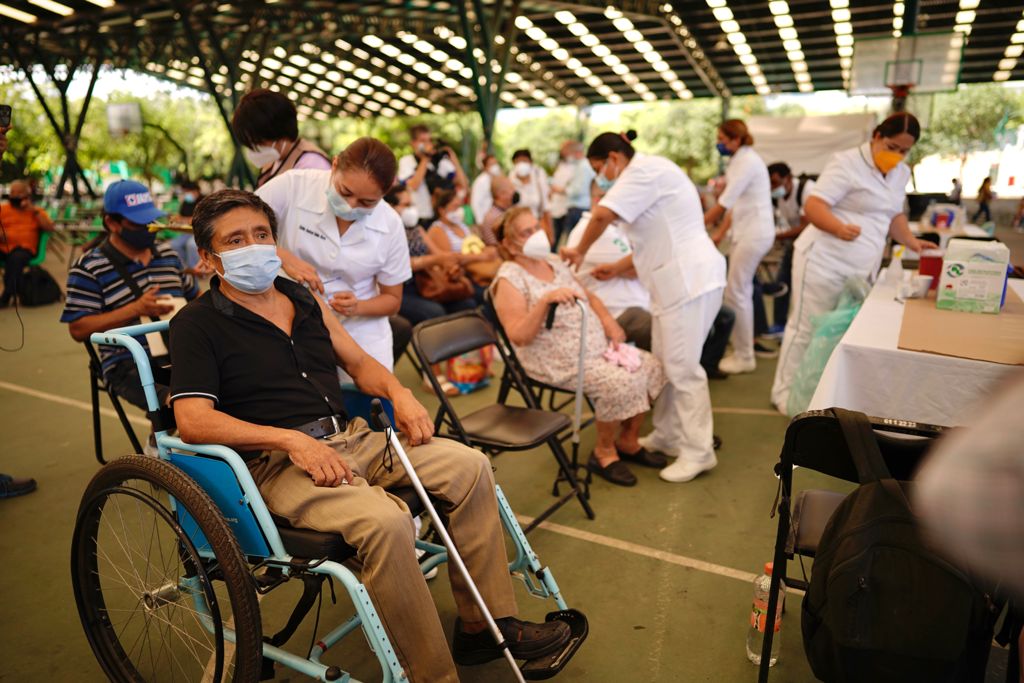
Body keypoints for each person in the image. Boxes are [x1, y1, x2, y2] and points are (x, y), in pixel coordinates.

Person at [171, 189, 570, 682]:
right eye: (236, 240)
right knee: (385, 521)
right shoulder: (196, 324)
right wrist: (291, 441)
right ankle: (432, 676)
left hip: (353, 438)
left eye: (261, 234)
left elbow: (358, 364)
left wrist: (399, 392)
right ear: (209, 259)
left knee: (469, 466)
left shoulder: (302, 298)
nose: (254, 245)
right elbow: (192, 420)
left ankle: (483, 627)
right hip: (280, 464)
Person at [561, 131, 726, 483]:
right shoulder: (647, 173)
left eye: (599, 168)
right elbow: (647, 240)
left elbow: (601, 216)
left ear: (614, 158)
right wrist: (616, 269)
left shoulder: (642, 172)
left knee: (682, 368)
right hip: (672, 283)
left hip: (688, 281)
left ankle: (699, 451)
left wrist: (579, 252)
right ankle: (667, 433)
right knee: (667, 364)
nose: (600, 178)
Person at [770, 112, 930, 414]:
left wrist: (911, 241)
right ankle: (783, 392)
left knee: (837, 331)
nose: (897, 155)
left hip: (860, 268)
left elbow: (893, 214)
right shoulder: (846, 162)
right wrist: (837, 227)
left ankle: (814, 391)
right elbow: (814, 205)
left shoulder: (901, 172)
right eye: (893, 147)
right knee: (805, 328)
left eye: (904, 151)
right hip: (823, 260)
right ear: (877, 137)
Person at [493, 207, 665, 487]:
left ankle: (628, 440)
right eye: (526, 232)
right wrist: (545, 301)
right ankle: (604, 452)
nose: (537, 234)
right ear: (510, 244)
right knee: (620, 383)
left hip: (596, 348)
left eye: (536, 227)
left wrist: (608, 321)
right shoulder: (509, 277)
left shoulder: (553, 262)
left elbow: (590, 296)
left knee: (651, 365)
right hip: (554, 360)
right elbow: (518, 335)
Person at [255, 138, 411, 382]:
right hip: (289, 321)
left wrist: (358, 306)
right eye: (345, 192)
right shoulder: (294, 185)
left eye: (367, 202)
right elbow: (238, 225)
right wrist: (281, 255)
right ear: (335, 165)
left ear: (386, 192)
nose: (350, 206)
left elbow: (393, 300)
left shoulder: (390, 224)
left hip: (360, 331)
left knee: (370, 405)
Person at [60, 180, 199, 420]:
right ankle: (159, 447)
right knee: (186, 405)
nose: (148, 228)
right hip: (129, 363)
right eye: (138, 223)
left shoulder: (168, 255)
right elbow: (78, 329)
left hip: (182, 353)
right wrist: (134, 309)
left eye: (150, 221)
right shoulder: (89, 267)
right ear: (111, 223)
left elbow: (196, 301)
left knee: (238, 384)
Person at [567, 213, 736, 381]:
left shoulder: (625, 227)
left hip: (654, 297)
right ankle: (669, 381)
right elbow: (640, 268)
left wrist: (622, 267)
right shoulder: (594, 231)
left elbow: (646, 263)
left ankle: (702, 368)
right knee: (675, 335)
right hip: (625, 308)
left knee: (720, 317)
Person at [704, 119, 775, 375]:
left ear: (736, 139)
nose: (719, 144)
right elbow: (734, 207)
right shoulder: (738, 161)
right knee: (738, 291)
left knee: (737, 292)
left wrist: (695, 226)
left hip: (754, 233)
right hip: (747, 231)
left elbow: (724, 203)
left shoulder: (746, 161)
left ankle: (745, 355)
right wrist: (719, 233)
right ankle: (742, 349)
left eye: (722, 139)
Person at [0, 124, 36, 498]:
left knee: (16, 262)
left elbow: (48, 226)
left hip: (23, 250)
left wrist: (30, 209)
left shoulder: (29, 211)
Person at [385, 184, 476, 325]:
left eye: (412, 204)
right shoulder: (385, 233)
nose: (411, 209)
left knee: (466, 303)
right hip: (401, 288)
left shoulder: (416, 228)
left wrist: (451, 268)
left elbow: (440, 255)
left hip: (427, 280)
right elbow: (402, 264)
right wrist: (435, 260)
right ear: (390, 207)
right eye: (406, 205)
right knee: (435, 312)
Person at [231, 88, 331, 188]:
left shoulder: (312, 166)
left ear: (278, 133)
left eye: (258, 142)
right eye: (250, 144)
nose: (254, 149)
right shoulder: (273, 162)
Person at [766, 161, 815, 332]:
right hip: (794, 244)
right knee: (782, 283)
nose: (773, 187)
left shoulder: (807, 190)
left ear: (788, 178)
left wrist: (776, 236)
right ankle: (779, 324)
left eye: (775, 182)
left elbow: (806, 226)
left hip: (813, 246)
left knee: (805, 286)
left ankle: (804, 326)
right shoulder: (777, 197)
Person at [426, 187, 501, 293]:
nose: (459, 211)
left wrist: (488, 251)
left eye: (460, 206)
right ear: (442, 210)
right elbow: (447, 259)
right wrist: (480, 257)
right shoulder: (437, 229)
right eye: (455, 207)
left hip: (476, 269)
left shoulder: (462, 226)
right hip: (462, 275)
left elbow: (476, 244)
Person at [397, 124, 468, 226]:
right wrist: (425, 158)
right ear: (413, 143)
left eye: (429, 140)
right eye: (423, 141)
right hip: (419, 218)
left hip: (440, 218)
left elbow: (462, 184)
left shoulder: (439, 162)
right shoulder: (407, 161)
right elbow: (413, 185)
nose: (427, 144)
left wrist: (453, 158)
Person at [1, 179, 54, 307]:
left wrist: (33, 211)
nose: (14, 195)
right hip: (3, 246)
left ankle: (7, 295)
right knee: (12, 259)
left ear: (27, 195)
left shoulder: (37, 211)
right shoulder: (3, 209)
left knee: (16, 259)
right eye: (12, 192)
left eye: (18, 192)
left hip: (24, 249)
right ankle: (11, 290)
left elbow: (49, 228)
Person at [549, 141, 594, 251]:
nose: (565, 156)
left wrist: (560, 190)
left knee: (571, 241)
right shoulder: (580, 166)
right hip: (575, 209)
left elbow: (578, 190)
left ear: (575, 152)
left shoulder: (583, 166)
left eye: (566, 153)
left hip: (578, 209)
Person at [509, 149, 553, 242]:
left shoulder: (538, 175)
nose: (521, 164)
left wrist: (550, 230)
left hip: (536, 224)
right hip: (517, 226)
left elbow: (546, 205)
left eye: (524, 161)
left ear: (530, 162)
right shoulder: (511, 179)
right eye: (518, 161)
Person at [480, 174, 517, 246]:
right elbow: (496, 248)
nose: (514, 192)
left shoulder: (505, 211)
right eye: (511, 189)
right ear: (501, 194)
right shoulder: (493, 217)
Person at [470, 154, 499, 224]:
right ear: (485, 167)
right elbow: (475, 203)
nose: (494, 166)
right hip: (485, 220)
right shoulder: (481, 181)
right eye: (491, 164)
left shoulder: (497, 179)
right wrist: (480, 222)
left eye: (495, 163)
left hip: (496, 219)